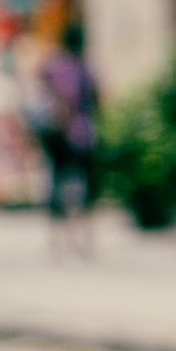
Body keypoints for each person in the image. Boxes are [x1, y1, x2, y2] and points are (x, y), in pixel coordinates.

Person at [35, 22, 100, 263]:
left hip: (57, 135)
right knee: (85, 188)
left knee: (57, 185)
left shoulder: (53, 67)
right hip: (83, 135)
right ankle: (83, 237)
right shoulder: (85, 69)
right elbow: (98, 99)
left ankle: (56, 241)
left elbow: (41, 90)